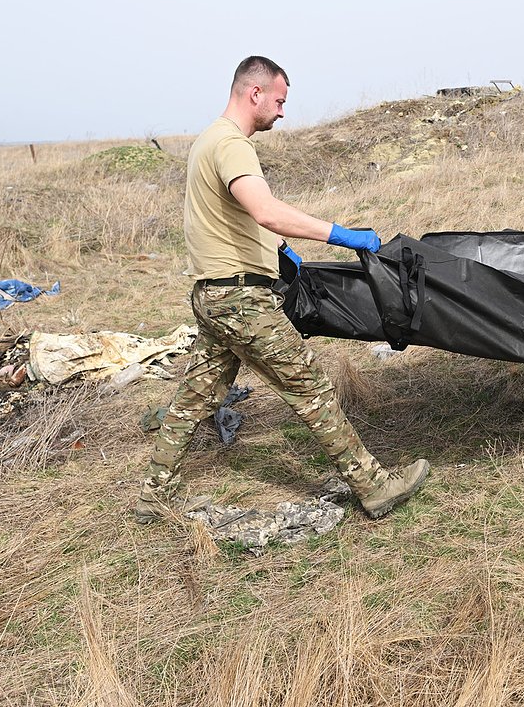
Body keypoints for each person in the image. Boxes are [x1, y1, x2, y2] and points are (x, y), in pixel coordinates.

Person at [135, 55, 429, 523]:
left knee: (197, 396)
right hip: (240, 301)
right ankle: (373, 487)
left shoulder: (207, 141)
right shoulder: (232, 146)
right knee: (311, 387)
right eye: (279, 100)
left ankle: (154, 493)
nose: (282, 111)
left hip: (214, 296)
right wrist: (343, 234)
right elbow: (266, 210)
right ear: (255, 94)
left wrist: (280, 251)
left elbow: (239, 218)